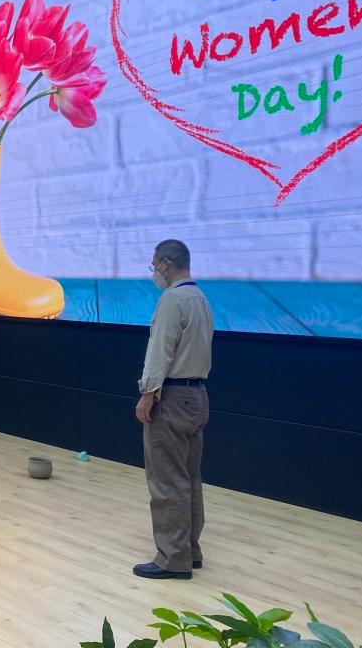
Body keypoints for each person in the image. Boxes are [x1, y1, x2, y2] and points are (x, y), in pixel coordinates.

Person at [133, 239, 213, 580]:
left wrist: (147, 393)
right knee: (189, 477)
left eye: (154, 266)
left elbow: (160, 351)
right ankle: (190, 550)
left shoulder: (172, 300)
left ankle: (172, 558)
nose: (154, 272)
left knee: (166, 480)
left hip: (172, 397)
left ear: (166, 264)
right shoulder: (201, 299)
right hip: (198, 397)